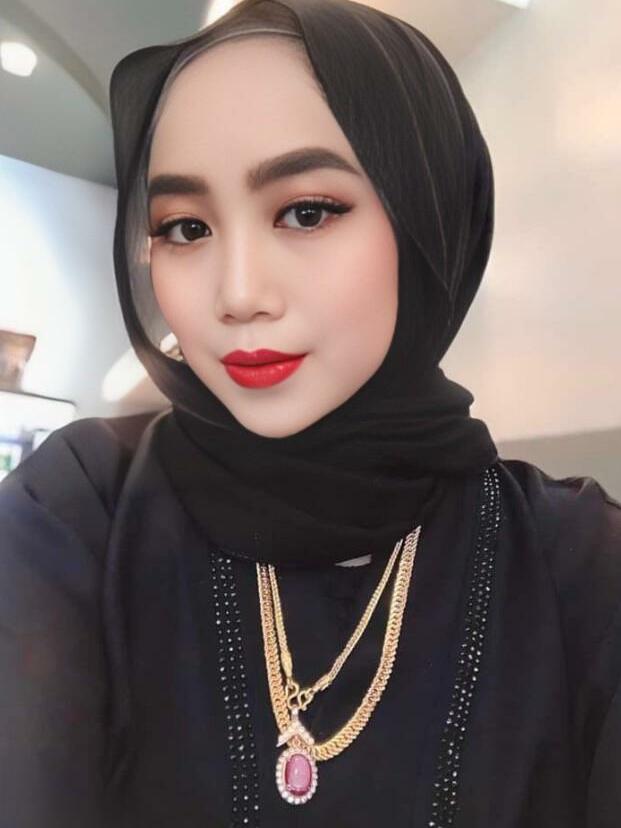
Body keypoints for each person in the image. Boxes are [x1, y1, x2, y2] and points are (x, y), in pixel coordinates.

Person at [1, 0, 620, 825]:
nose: (237, 294)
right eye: (185, 227)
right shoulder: (82, 510)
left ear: (429, 212)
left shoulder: (578, 566)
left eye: (306, 211)